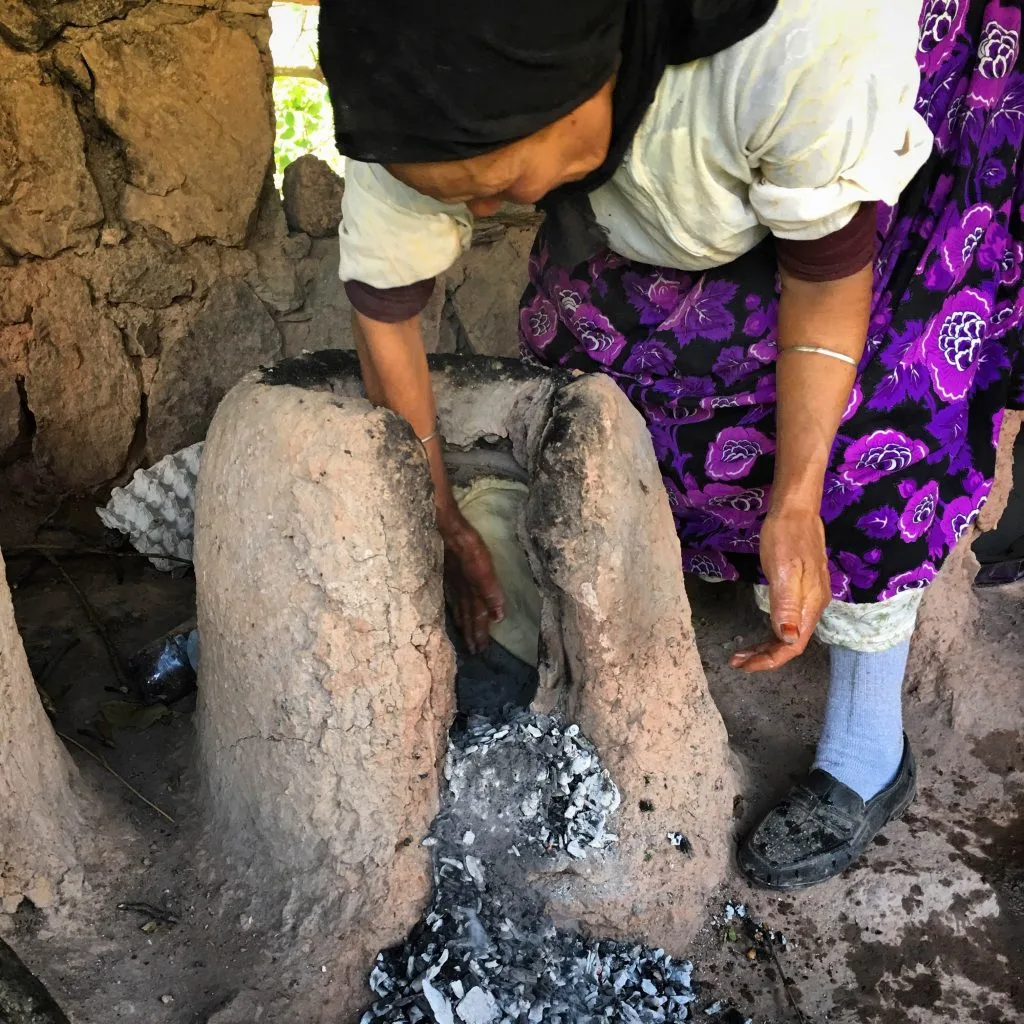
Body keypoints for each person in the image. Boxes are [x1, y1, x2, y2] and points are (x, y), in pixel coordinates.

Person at [318, 0, 1024, 890]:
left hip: (895, 134)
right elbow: (387, 307)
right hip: (677, 145)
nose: (486, 213)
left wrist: (797, 498)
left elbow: (828, 276)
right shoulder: (423, 66)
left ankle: (866, 746)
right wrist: (440, 512)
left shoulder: (804, 39)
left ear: (582, 82)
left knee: (877, 414)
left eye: (493, 187)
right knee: (592, 375)